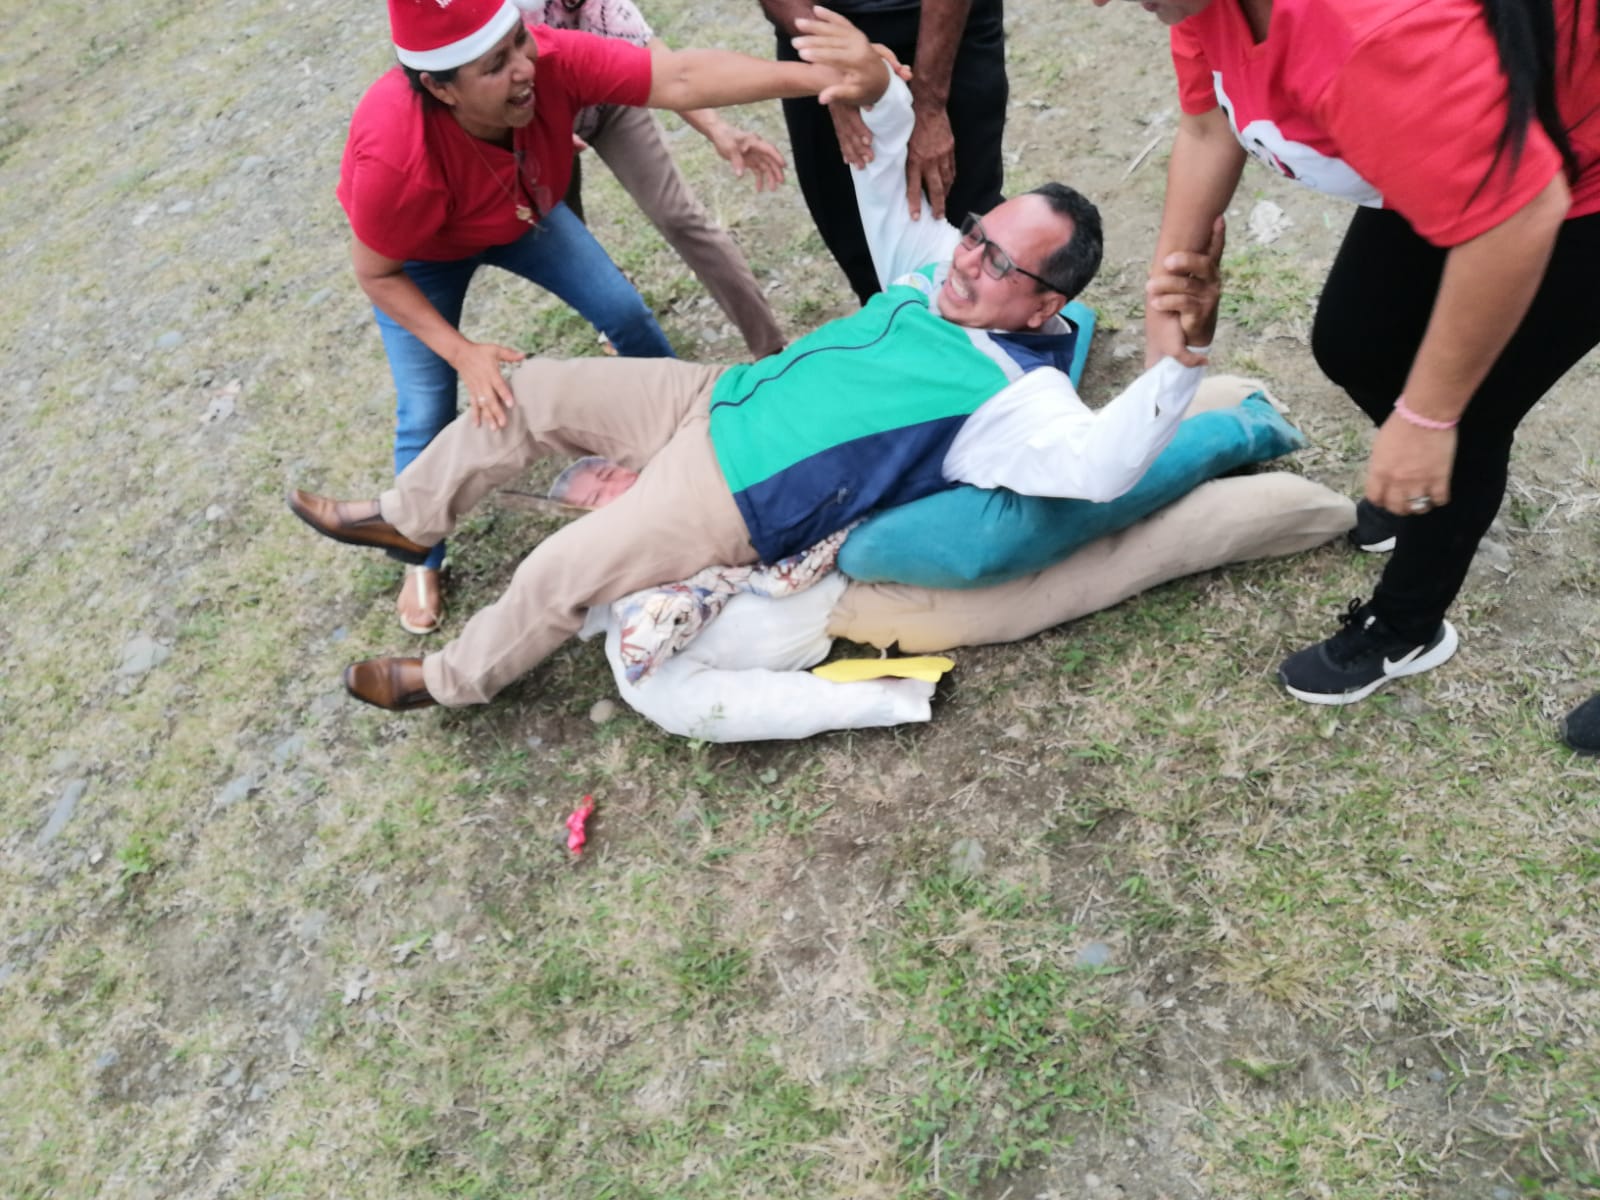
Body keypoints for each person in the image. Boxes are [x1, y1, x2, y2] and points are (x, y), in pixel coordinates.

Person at [287, 16, 1215, 713]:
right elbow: (887, 165)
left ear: (1047, 307)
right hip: (716, 392)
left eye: (1001, 263)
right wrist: (869, 83)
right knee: (526, 392)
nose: (969, 261)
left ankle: (448, 681)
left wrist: (1182, 362)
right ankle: (411, 520)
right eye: (979, 234)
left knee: (559, 571)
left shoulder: (1016, 401)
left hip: (732, 493)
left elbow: (1101, 469)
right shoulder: (936, 270)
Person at [1099, 0, 1600, 716]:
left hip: (1568, 184)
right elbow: (1208, 125)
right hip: (1466, 143)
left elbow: (1518, 214)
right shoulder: (1204, 6)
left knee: (1467, 413)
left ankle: (1406, 625)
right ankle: (1441, 495)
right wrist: (1169, 293)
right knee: (1355, 344)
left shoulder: (1365, 34)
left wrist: (1428, 419)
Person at [341, 0, 883, 638]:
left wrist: (827, 77)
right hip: (424, 258)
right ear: (440, 88)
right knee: (426, 408)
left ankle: (691, 450)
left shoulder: (550, 57)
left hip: (521, 212)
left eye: (519, 42)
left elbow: (680, 76)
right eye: (495, 65)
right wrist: (461, 351)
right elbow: (377, 274)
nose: (524, 68)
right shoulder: (395, 155)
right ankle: (419, 553)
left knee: (623, 312)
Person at [538, 0, 788, 358]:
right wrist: (539, 127)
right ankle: (618, 316)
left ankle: (772, 350)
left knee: (678, 214)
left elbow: (669, 72)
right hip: (532, 124)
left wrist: (718, 130)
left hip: (608, 96)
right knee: (576, 248)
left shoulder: (602, 7)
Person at [758, 0, 1007, 302]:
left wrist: (930, 104)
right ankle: (896, 321)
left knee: (968, 226)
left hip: (941, 26)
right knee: (857, 237)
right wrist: (831, 71)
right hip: (815, 30)